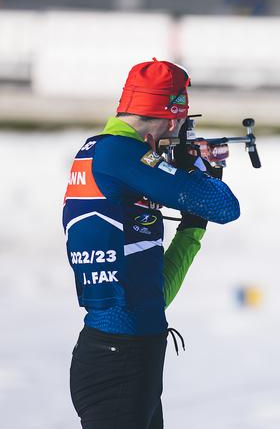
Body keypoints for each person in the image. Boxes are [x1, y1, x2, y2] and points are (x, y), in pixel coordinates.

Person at [62, 58, 240, 428]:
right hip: (120, 361)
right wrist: (197, 175)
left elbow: (154, 296)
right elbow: (225, 205)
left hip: (126, 355)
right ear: (172, 117)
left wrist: (192, 228)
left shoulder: (103, 151)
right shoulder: (118, 154)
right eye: (180, 122)